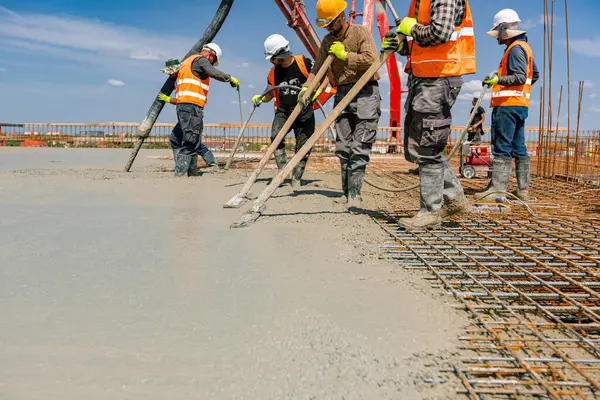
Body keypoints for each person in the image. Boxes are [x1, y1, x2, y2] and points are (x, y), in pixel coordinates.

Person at [382, 0, 476, 230]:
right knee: (423, 146)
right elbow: (420, 44)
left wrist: (411, 28)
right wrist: (400, 43)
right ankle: (454, 199)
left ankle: (431, 211)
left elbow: (440, 33)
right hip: (426, 79)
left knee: (428, 145)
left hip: (439, 78)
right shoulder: (420, 3)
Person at [302, 0, 382, 209]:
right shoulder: (327, 41)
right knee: (343, 147)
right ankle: (347, 193)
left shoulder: (360, 33)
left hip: (365, 91)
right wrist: (307, 88)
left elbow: (372, 60)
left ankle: (355, 195)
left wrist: (345, 55)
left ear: (341, 16)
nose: (327, 28)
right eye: (324, 25)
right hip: (343, 93)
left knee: (359, 147)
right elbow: (317, 70)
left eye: (330, 23)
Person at [475, 9, 539, 202]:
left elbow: (520, 76)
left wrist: (497, 80)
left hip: (507, 106)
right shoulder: (524, 48)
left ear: (504, 29)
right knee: (518, 147)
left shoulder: (515, 49)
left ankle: (497, 189)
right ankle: (522, 190)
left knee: (502, 147)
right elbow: (533, 75)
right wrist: (518, 91)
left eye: (497, 32)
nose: (497, 37)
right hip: (519, 105)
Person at [157, 44, 240, 177]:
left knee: (178, 138)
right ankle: (182, 175)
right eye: (213, 60)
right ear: (210, 55)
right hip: (192, 108)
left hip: (183, 108)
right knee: (190, 141)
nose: (211, 63)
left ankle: (192, 173)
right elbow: (213, 72)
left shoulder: (186, 62)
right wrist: (229, 78)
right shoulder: (201, 60)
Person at [251, 34, 317, 188]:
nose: (272, 62)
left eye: (272, 58)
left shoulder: (304, 63)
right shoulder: (273, 73)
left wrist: (313, 92)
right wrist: (261, 97)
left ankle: (296, 178)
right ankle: (282, 171)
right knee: (276, 136)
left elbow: (318, 79)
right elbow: (269, 93)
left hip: (304, 111)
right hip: (284, 111)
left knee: (304, 146)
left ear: (280, 55)